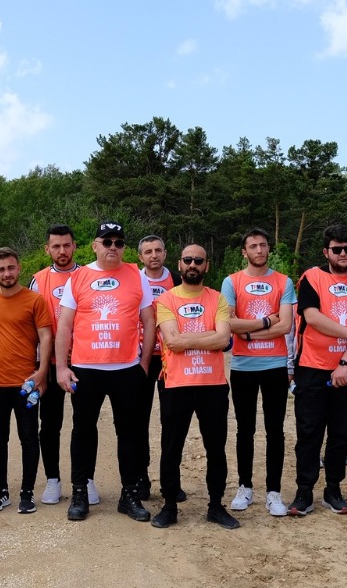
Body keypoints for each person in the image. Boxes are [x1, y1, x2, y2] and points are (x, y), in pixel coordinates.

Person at [53, 221, 160, 522]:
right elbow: (64, 325)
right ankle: (79, 492)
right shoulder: (79, 277)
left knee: (129, 433)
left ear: (125, 248)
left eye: (119, 242)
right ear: (95, 245)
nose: (113, 247)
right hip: (86, 370)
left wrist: (144, 364)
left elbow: (149, 322)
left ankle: (129, 494)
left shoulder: (136, 277)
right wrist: (62, 367)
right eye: (107, 241)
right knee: (83, 431)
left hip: (127, 369)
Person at [288, 225, 347, 517]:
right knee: (309, 432)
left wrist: (345, 362)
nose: (343, 254)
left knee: (341, 433)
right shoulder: (311, 278)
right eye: (337, 249)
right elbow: (312, 317)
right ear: (326, 251)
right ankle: (304, 492)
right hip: (312, 367)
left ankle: (333, 490)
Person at [150, 244, 238, 529]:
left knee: (216, 448)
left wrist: (188, 339)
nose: (193, 264)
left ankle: (216, 505)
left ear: (206, 266)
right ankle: (169, 506)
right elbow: (170, 341)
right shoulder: (165, 300)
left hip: (212, 385)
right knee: (171, 447)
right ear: (179, 264)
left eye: (198, 260)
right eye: (188, 260)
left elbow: (223, 340)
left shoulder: (218, 299)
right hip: (175, 384)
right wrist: (207, 336)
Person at [221, 228, 296, 517]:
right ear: (245, 252)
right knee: (245, 429)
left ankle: (274, 491)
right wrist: (266, 321)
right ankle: (245, 486)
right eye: (253, 246)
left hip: (275, 365)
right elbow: (229, 323)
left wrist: (248, 329)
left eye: (263, 245)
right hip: (243, 366)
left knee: (275, 430)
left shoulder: (283, 281)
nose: (259, 250)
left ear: (269, 249)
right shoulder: (232, 282)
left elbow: (286, 325)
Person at [0, 248, 52, 515]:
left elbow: (45, 337)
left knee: (29, 437)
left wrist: (42, 372)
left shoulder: (35, 300)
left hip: (26, 383)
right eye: (0, 269)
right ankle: (1, 492)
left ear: (19, 268)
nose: (6, 273)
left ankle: (28, 493)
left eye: (10, 268)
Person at [28, 225, 80, 504]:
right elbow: (30, 323)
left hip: (84, 360)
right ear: (47, 249)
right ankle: (52, 480)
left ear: (75, 247)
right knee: (49, 424)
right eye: (56, 246)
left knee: (85, 424)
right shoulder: (38, 280)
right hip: (48, 361)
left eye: (67, 245)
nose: (62, 251)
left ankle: (85, 480)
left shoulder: (88, 275)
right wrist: (36, 366)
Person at [135, 234, 176, 501]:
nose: (154, 255)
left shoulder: (179, 280)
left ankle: (171, 481)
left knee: (172, 422)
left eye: (158, 250)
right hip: (141, 360)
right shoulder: (133, 280)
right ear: (140, 256)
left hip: (172, 360)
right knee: (139, 422)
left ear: (165, 253)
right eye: (148, 251)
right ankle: (140, 478)